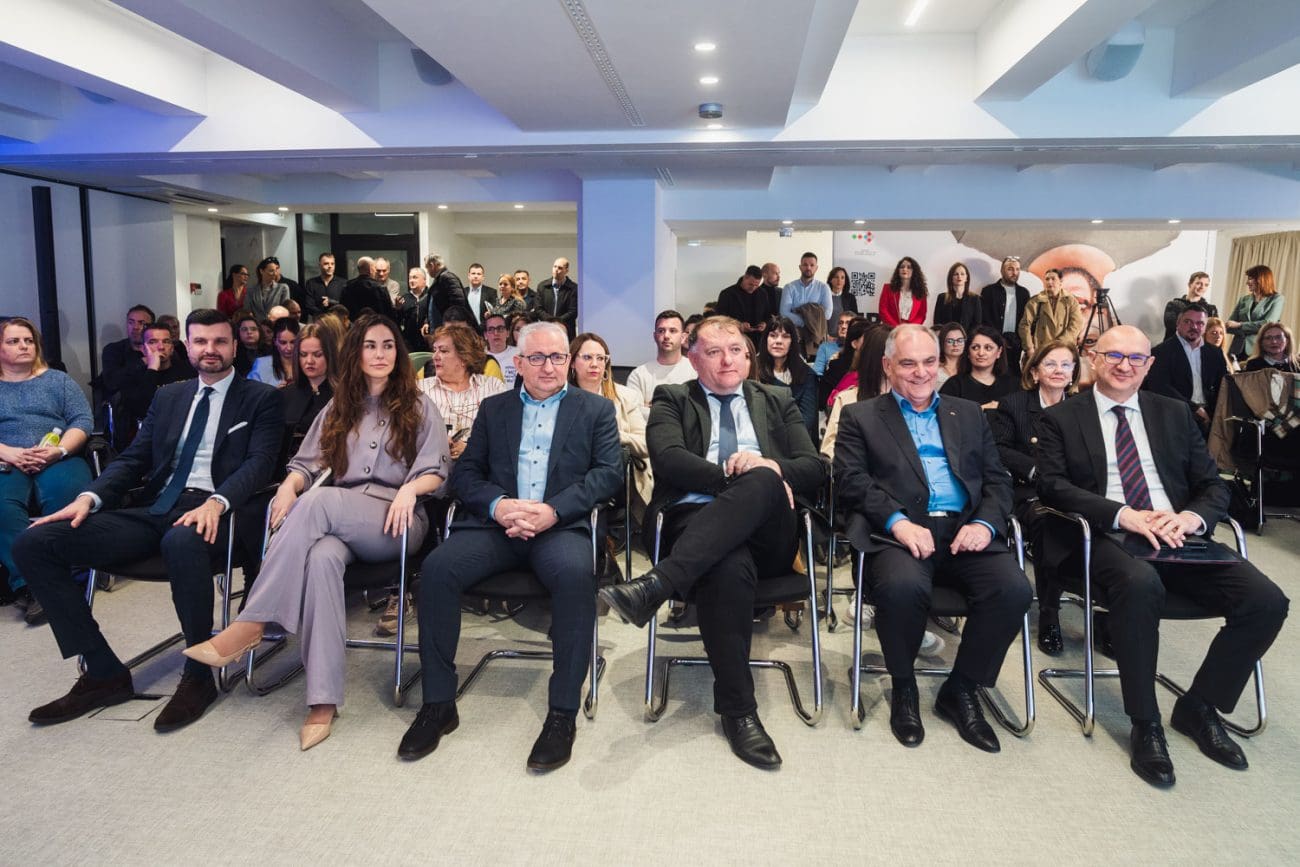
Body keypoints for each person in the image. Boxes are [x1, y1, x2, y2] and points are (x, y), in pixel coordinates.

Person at [1036, 325, 1288, 786]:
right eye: (1114, 355)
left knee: (1267, 600)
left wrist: (1191, 518)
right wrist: (1123, 514)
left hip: (1176, 535)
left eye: (1136, 357)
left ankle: (1199, 706)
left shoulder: (1173, 413)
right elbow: (1053, 487)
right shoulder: (1062, 418)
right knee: (1140, 584)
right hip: (1103, 536)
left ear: (1149, 365)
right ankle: (1145, 722)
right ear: (1095, 359)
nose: (1125, 365)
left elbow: (1212, 486)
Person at [186, 314, 450, 750]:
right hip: (337, 519)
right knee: (322, 557)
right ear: (355, 354)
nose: (380, 354)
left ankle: (253, 621)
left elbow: (437, 470)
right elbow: (307, 463)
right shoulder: (339, 406)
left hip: (396, 520)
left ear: (399, 354)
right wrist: (288, 486)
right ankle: (322, 701)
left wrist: (410, 489)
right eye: (370, 346)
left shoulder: (421, 406)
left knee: (318, 502)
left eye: (388, 346)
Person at [13, 309, 283, 732]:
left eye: (219, 341)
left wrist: (217, 502)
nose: (210, 349)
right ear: (187, 347)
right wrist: (89, 497)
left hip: (218, 511)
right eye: (200, 341)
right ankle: (103, 673)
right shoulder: (170, 396)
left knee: (181, 541)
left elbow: (260, 463)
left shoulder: (261, 398)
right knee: (35, 543)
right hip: (156, 507)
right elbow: (134, 458)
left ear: (235, 346)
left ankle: (198, 675)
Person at [397, 321, 621, 771]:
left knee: (576, 577)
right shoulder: (494, 408)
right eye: (536, 357)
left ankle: (562, 714)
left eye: (557, 357)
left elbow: (608, 474)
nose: (548, 367)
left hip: (559, 527)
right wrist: (499, 506)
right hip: (496, 528)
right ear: (517, 363)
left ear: (569, 361)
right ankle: (438, 704)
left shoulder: (595, 409)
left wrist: (553, 510)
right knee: (437, 570)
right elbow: (466, 474)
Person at [600, 315, 822, 769]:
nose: (727, 360)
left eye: (736, 350)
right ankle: (739, 712)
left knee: (764, 475)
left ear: (749, 356)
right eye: (715, 352)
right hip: (693, 520)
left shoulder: (777, 399)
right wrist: (732, 475)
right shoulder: (674, 398)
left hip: (770, 531)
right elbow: (669, 460)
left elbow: (814, 467)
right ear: (694, 358)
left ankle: (659, 584)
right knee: (726, 565)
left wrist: (766, 471)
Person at [832, 324, 1031, 753]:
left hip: (965, 529)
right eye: (908, 363)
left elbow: (997, 479)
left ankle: (961, 689)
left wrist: (985, 525)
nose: (921, 372)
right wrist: (897, 522)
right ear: (888, 366)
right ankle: (904, 686)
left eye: (929, 362)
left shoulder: (969, 413)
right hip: (900, 533)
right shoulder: (861, 416)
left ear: (940, 364)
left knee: (1014, 589)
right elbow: (851, 480)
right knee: (902, 588)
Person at [232, 321, 340, 602]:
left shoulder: (344, 398)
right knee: (249, 507)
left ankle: (270, 593)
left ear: (330, 355)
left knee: (287, 511)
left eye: (317, 354)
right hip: (278, 474)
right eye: (303, 355)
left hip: (324, 478)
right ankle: (255, 579)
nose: (309, 361)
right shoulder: (280, 396)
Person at [0, 317, 94, 625]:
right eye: (13, 341)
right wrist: (9, 452)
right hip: (6, 458)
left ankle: (64, 576)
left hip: (57, 455)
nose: (23, 346)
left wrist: (60, 451)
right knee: (2, 506)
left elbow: (82, 420)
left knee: (67, 495)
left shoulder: (58, 381)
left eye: (28, 340)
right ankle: (30, 584)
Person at [989, 340, 1080, 656]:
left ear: (1073, 372)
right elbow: (998, 448)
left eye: (1066, 364)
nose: (1058, 370)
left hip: (1077, 491)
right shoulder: (1014, 404)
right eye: (1050, 364)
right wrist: (1034, 470)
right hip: (1030, 491)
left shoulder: (1083, 407)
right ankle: (1050, 613)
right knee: (1049, 523)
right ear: (1035, 371)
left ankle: (1109, 614)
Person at [569, 332, 651, 523]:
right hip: (571, 476)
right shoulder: (560, 398)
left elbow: (646, 444)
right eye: (587, 357)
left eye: (601, 358)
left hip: (615, 478)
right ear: (572, 362)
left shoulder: (626, 397)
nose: (595, 364)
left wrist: (613, 434)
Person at [1144, 303, 1227, 431]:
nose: (1194, 327)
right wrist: (1194, 409)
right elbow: (1160, 387)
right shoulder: (1160, 352)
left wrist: (1216, 413)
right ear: (1178, 324)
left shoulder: (1215, 353)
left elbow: (1222, 385)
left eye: (1200, 323)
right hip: (1175, 415)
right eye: (1188, 322)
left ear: (1205, 327)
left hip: (1209, 416)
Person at [624, 310, 697, 421]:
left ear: (683, 337)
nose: (666, 336)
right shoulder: (638, 375)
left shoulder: (696, 371)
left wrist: (655, 408)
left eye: (673, 331)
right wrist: (681, 409)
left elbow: (699, 412)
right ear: (655, 336)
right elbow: (635, 416)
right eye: (661, 331)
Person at [757, 316, 818, 444]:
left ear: (792, 342)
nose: (778, 341)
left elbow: (807, 418)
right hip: (761, 440)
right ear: (766, 339)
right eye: (773, 335)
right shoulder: (752, 370)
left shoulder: (806, 374)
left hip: (796, 441)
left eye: (785, 336)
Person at [119, 322, 196, 424]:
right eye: (153, 342)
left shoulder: (189, 369)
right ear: (143, 349)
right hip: (155, 428)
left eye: (166, 341)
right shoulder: (132, 376)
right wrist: (152, 369)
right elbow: (141, 411)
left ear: (172, 348)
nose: (161, 347)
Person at [940, 326, 1020, 409]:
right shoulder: (954, 385)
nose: (981, 353)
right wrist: (980, 409)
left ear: (999, 352)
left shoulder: (1013, 385)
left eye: (988, 348)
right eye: (975, 348)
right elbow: (944, 414)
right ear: (968, 352)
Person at [1018, 268, 1082, 360]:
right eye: (1047, 279)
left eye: (1053, 279)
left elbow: (1076, 324)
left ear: (1060, 282)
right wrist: (1029, 349)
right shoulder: (1035, 301)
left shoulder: (1071, 301)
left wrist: (1060, 343)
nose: (1049, 282)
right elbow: (1024, 325)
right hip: (1039, 351)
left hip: (1063, 350)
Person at [979, 256, 1031, 369]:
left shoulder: (1024, 293)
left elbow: (1026, 320)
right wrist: (998, 338)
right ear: (1002, 270)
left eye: (1017, 269)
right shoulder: (988, 291)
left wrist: (1020, 341)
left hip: (1016, 345)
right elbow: (985, 319)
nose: (1014, 273)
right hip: (994, 343)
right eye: (1010, 269)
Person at [1226, 264, 1284, 358]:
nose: (1247, 282)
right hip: (1237, 349)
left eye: (1250, 279)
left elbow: (1267, 324)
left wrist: (1240, 325)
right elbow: (1230, 325)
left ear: (1261, 279)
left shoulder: (1277, 299)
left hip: (1260, 349)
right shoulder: (1243, 299)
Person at [100, 304, 155, 399]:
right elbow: (111, 382)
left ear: (152, 327)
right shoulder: (113, 350)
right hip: (125, 404)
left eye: (141, 323)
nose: (135, 327)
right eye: (131, 322)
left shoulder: (159, 349)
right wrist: (143, 361)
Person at [780, 251, 832, 329]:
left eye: (812, 265)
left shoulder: (824, 288)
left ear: (816, 268)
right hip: (793, 332)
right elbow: (784, 313)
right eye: (805, 265)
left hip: (817, 333)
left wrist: (804, 318)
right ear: (800, 267)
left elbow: (828, 314)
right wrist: (806, 322)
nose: (808, 268)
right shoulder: (789, 287)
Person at [716, 265, 773, 335]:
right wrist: (739, 325)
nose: (753, 288)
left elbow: (768, 316)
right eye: (750, 284)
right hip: (735, 335)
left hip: (758, 337)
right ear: (745, 277)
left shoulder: (762, 293)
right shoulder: (727, 294)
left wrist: (765, 324)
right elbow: (720, 318)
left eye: (756, 285)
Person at [1162, 272, 1217, 343]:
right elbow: (1172, 327)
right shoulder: (1173, 305)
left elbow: (1212, 331)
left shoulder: (1211, 309)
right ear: (1190, 284)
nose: (1202, 287)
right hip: (1173, 346)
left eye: (1206, 285)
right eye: (1198, 283)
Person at [933, 262, 982, 335]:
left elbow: (977, 324)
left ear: (966, 278)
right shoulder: (942, 298)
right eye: (956, 274)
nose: (959, 276)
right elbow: (937, 323)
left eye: (962, 274)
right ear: (951, 278)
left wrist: (965, 338)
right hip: (946, 338)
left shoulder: (975, 299)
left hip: (967, 339)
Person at [424, 254, 469, 332]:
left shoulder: (447, 277)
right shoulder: (440, 279)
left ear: (432, 265)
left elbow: (458, 304)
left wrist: (451, 327)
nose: (427, 271)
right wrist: (427, 322)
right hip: (441, 329)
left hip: (448, 330)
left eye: (427, 268)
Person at [879, 257, 929, 327]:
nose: (905, 269)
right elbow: (883, 310)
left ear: (914, 271)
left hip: (910, 330)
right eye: (902, 267)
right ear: (898, 270)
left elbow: (921, 315)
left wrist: (909, 328)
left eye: (909, 267)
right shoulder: (888, 288)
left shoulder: (921, 291)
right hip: (890, 328)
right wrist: (896, 327)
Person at [248, 318, 298, 388]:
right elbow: (250, 392)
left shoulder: (305, 363)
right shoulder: (262, 364)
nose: (289, 348)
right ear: (275, 341)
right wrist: (272, 392)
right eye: (283, 343)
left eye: (293, 342)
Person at [537, 258, 578, 339]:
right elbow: (538, 309)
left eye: (560, 268)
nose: (556, 270)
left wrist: (557, 322)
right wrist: (550, 322)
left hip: (566, 331)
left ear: (566, 271)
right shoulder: (542, 286)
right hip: (546, 329)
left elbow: (573, 311)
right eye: (554, 266)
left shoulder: (574, 288)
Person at [302, 252, 345, 322]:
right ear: (319, 265)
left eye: (332, 264)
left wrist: (332, 302)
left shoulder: (343, 283)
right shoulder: (311, 283)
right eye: (326, 263)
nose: (330, 266)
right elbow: (308, 306)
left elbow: (346, 305)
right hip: (319, 322)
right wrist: (323, 315)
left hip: (338, 322)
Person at [397, 266, 430, 352]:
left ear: (424, 280)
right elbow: (397, 321)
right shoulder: (404, 298)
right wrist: (398, 309)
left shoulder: (432, 296)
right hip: (409, 344)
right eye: (410, 278)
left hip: (429, 341)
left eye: (415, 277)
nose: (411, 281)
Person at [814, 312, 858, 376]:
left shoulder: (859, 348)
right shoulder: (825, 347)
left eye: (848, 323)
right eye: (841, 323)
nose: (843, 326)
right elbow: (817, 373)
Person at [248, 257, 291, 322]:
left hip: (276, 324)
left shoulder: (283, 288)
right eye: (271, 271)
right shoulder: (251, 290)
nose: (275, 273)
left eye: (275, 270)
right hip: (257, 325)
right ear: (261, 271)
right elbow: (248, 311)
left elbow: (285, 310)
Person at [482, 313, 517, 387]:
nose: (496, 333)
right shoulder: (479, 357)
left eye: (500, 328)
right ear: (485, 335)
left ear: (507, 333)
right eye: (491, 329)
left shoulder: (519, 354)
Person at [462, 263, 497, 332]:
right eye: (473, 273)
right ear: (469, 276)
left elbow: (494, 310)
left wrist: (490, 313)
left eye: (478, 274)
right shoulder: (462, 292)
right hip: (465, 331)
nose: (476, 276)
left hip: (485, 330)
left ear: (483, 277)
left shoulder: (491, 292)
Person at [934, 322, 966, 388]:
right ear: (942, 342)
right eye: (950, 341)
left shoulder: (970, 368)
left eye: (960, 340)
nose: (955, 344)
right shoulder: (934, 368)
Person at [233, 311, 264, 376]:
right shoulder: (234, 354)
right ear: (238, 333)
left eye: (253, 329)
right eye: (244, 329)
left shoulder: (269, 351)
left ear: (259, 331)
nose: (249, 332)